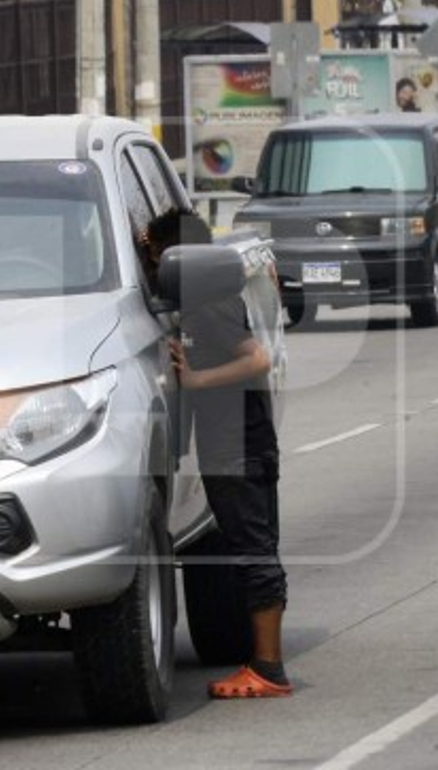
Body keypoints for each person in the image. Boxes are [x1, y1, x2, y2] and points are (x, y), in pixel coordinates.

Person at [143, 209, 291, 699]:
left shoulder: (209, 304)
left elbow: (257, 358)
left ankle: (269, 670)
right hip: (235, 442)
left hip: (238, 446)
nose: (152, 267)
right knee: (251, 548)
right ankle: (262, 662)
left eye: (156, 258)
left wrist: (196, 380)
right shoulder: (202, 297)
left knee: (253, 551)